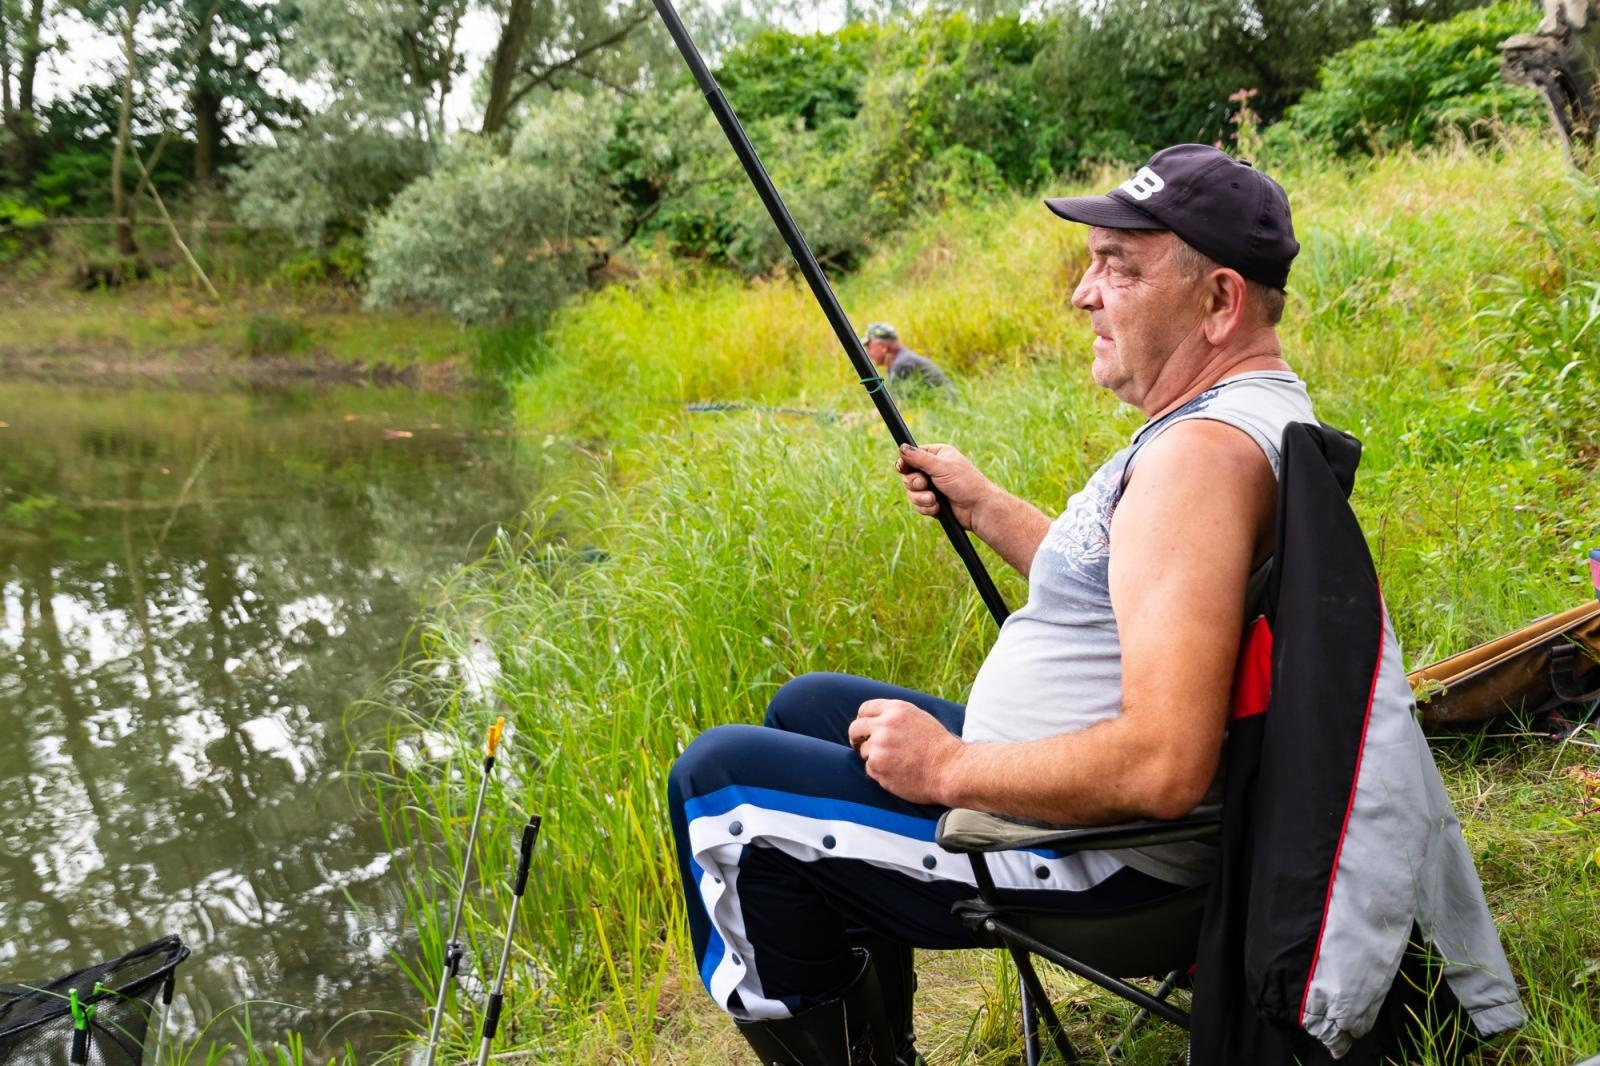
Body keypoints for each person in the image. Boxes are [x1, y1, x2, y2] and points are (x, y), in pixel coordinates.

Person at [665, 145, 1504, 1065]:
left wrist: (948, 768)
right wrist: (986, 507)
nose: (1083, 293)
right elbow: (1140, 593)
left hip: (1100, 859)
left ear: (1220, 302)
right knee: (812, 707)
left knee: (722, 790)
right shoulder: (1246, 416)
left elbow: (1163, 765)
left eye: (1119, 267)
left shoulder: (1197, 462)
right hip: (1097, 817)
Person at [861, 323, 950, 391]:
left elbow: (895, 405)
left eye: (869, 347)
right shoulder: (901, 359)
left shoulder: (902, 364)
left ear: (883, 346)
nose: (868, 353)